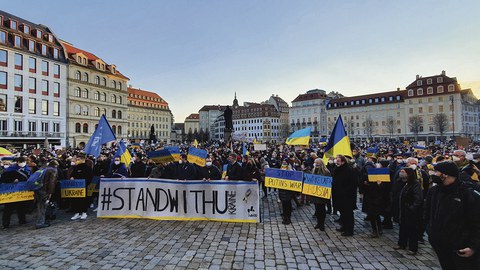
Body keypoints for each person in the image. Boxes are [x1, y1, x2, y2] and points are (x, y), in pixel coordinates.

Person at [425, 161, 480, 269]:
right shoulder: (435, 190)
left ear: (445, 174)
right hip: (440, 245)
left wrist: (473, 246)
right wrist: (431, 232)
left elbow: (477, 223)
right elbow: (428, 213)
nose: (433, 174)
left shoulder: (467, 193)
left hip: (461, 248)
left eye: (436, 172)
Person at [394, 167, 423, 255]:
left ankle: (413, 248)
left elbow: (418, 199)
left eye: (403, 172)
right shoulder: (405, 183)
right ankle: (402, 243)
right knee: (403, 227)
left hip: (411, 211)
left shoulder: (415, 184)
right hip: (403, 210)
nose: (401, 173)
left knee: (412, 230)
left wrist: (412, 208)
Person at [1, 156, 31, 229]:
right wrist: (12, 180)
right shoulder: (9, 170)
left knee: (21, 207)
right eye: (21, 162)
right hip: (10, 192)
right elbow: (3, 180)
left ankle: (22, 220)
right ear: (17, 162)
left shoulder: (26, 169)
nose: (23, 164)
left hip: (21, 192)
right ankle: (6, 223)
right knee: (8, 208)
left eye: (24, 162)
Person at [333, 155, 358, 236]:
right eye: (336, 159)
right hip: (339, 195)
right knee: (342, 213)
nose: (336, 161)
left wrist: (344, 191)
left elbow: (353, 184)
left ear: (343, 161)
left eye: (338, 160)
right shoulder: (337, 169)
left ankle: (349, 230)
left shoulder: (349, 170)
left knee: (348, 213)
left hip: (347, 196)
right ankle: (343, 226)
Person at [34, 160, 58, 229]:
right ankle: (40, 223)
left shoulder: (43, 169)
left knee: (39, 206)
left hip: (38, 189)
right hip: (45, 191)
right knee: (42, 207)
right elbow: (51, 183)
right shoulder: (53, 171)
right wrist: (50, 192)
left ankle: (41, 221)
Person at [69, 154, 93, 220]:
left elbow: (90, 177)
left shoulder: (87, 168)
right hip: (76, 187)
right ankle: (77, 213)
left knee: (83, 200)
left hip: (83, 186)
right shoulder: (76, 167)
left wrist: (85, 183)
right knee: (75, 200)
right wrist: (72, 177)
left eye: (78, 160)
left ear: (83, 160)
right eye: (77, 160)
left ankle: (84, 212)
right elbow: (72, 174)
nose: (77, 161)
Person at [311, 158, 330, 231]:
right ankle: (318, 223)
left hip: (322, 194)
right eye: (315, 162)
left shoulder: (326, 172)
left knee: (322, 209)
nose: (316, 164)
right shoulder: (313, 170)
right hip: (315, 193)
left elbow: (327, 182)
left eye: (317, 163)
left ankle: (322, 224)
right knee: (317, 209)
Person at [278, 159, 295, 225]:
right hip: (282, 191)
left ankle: (288, 218)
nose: (284, 164)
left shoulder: (291, 171)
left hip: (288, 192)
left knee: (288, 205)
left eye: (285, 163)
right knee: (284, 205)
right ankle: (285, 217)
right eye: (283, 163)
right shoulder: (280, 171)